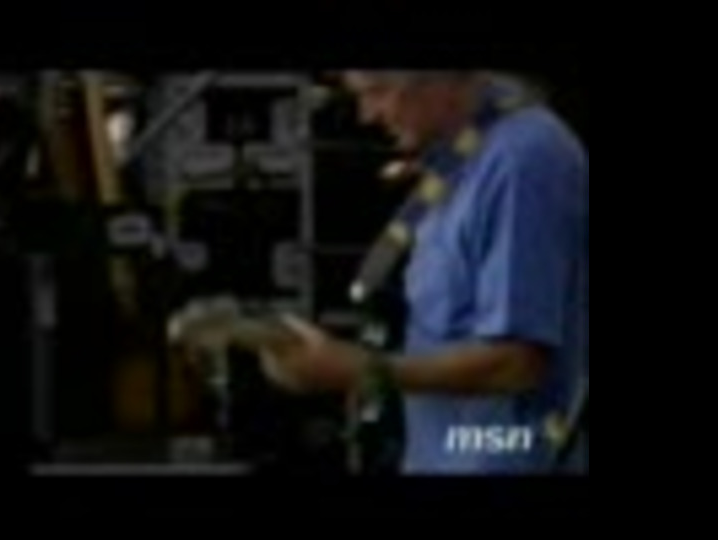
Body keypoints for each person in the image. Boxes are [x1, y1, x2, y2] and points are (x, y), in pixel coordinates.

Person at [235, 70, 588, 475]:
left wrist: (361, 370)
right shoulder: (464, 157)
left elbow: (516, 364)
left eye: (378, 92)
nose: (367, 115)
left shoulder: (522, 163)